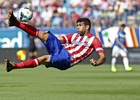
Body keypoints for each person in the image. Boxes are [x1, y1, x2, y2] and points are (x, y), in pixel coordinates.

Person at [4, 10, 106, 72]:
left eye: (80, 25)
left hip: (68, 59)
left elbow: (103, 57)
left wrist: (97, 62)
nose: (77, 27)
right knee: (44, 34)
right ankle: (15, 23)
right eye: (77, 25)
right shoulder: (74, 36)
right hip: (61, 50)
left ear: (87, 27)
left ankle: (13, 66)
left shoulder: (94, 40)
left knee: (44, 58)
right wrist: (43, 38)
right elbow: (58, 39)